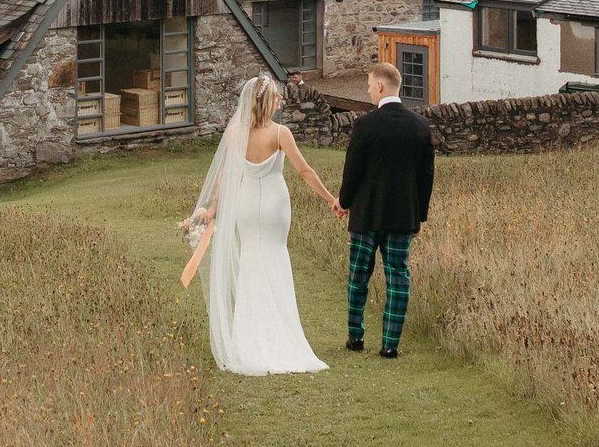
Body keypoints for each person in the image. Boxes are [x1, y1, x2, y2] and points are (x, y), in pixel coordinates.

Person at [182, 74, 342, 376]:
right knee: (275, 260)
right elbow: (305, 171)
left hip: (244, 206)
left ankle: (248, 339)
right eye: (277, 97)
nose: (280, 101)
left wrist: (214, 207)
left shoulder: (234, 135)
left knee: (250, 265)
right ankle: (279, 334)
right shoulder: (280, 134)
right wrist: (330, 198)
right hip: (273, 206)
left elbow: (225, 176)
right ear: (268, 101)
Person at [336, 60, 434, 358]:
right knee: (398, 278)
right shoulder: (420, 126)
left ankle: (356, 338)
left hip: (367, 214)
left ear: (380, 86)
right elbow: (426, 176)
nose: (368, 90)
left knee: (358, 277)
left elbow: (352, 170)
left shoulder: (365, 125)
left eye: (368, 85)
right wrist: (419, 216)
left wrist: (344, 201)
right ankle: (390, 345)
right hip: (403, 216)